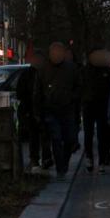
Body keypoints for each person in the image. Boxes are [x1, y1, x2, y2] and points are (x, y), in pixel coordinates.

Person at [33, 42, 82, 181]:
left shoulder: (71, 69)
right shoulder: (43, 69)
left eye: (60, 52)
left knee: (68, 139)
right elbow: (38, 92)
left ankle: (63, 163)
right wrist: (38, 111)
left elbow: (78, 87)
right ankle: (61, 167)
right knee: (56, 138)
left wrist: (72, 98)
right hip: (50, 109)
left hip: (67, 109)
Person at [18, 50, 53, 174]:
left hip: (42, 109)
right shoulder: (27, 75)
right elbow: (20, 93)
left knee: (43, 135)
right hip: (31, 110)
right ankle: (36, 159)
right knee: (35, 136)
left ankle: (44, 158)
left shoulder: (45, 73)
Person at [82, 47, 110, 174]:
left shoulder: (107, 71)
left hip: (103, 106)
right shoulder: (84, 71)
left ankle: (102, 160)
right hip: (88, 106)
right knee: (88, 134)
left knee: (103, 135)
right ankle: (89, 157)